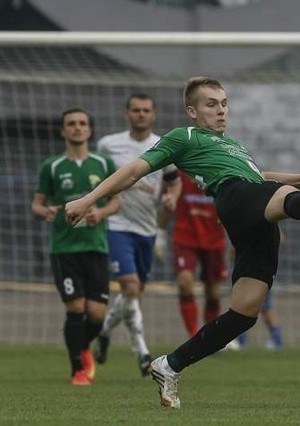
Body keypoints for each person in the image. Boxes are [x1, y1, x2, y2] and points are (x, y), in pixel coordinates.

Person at [65, 76, 300, 409]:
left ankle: (170, 365)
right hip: (236, 199)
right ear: (191, 111)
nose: (220, 111)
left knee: (244, 312)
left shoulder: (232, 144)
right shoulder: (183, 136)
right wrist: (87, 200)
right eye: (210, 104)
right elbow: (134, 170)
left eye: (223, 104)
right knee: (284, 197)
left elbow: (258, 177)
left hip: (253, 215)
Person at [94, 93, 182, 377]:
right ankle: (143, 353)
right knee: (130, 287)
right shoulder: (108, 145)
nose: (141, 114)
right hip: (117, 225)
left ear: (153, 115)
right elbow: (98, 180)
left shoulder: (162, 144)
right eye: (136, 110)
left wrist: (172, 199)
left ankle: (105, 331)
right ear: (126, 114)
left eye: (146, 110)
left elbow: (173, 183)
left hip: (147, 228)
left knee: (135, 294)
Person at [32, 108, 120, 385]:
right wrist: (44, 211)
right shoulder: (52, 166)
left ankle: (82, 348)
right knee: (75, 308)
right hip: (64, 248)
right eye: (71, 124)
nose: (77, 128)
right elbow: (37, 203)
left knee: (96, 314)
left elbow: (117, 202)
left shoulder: (103, 163)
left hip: (96, 246)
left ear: (90, 130)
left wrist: (101, 213)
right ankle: (78, 370)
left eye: (82, 123)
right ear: (63, 131)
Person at [157, 170, 228, 337]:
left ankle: (210, 337)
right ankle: (193, 335)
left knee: (213, 291)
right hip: (185, 237)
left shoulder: (221, 172)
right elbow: (168, 203)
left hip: (214, 239)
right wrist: (160, 232)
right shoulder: (180, 173)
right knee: (185, 281)